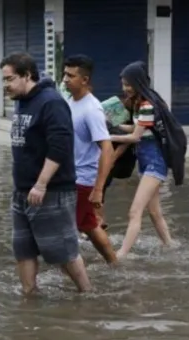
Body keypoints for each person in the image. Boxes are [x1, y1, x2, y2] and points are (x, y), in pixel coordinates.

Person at [0, 52, 92, 294]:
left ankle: (88, 294)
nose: (5, 85)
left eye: (9, 79)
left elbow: (60, 148)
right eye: (4, 80)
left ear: (27, 75)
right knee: (23, 249)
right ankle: (29, 296)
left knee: (64, 252)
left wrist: (41, 185)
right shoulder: (21, 100)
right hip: (22, 192)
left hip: (51, 192)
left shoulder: (51, 103)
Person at [108, 62, 187, 260]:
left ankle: (122, 255)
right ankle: (170, 246)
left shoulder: (146, 105)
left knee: (134, 211)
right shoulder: (143, 103)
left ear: (138, 82)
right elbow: (138, 129)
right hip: (147, 163)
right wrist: (111, 126)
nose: (125, 88)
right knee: (154, 211)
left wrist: (109, 137)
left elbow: (135, 137)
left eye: (128, 84)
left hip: (154, 164)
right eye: (123, 84)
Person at [62, 55, 117, 264]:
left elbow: (107, 148)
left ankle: (73, 275)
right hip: (70, 175)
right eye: (64, 74)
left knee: (65, 230)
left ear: (84, 80)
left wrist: (98, 189)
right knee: (89, 226)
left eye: (70, 75)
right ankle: (114, 264)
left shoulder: (91, 109)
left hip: (83, 179)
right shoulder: (70, 101)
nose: (65, 79)